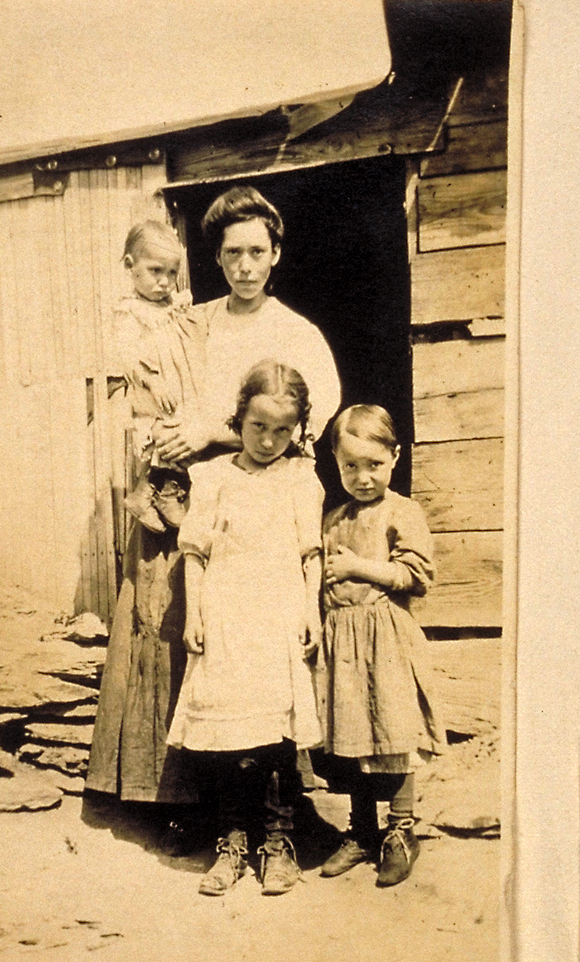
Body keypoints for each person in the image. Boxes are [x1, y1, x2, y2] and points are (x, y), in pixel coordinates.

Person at [85, 185, 340, 808]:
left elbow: (302, 432)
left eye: (257, 251)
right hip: (181, 499)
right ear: (218, 259)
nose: (245, 266)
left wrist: (208, 431)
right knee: (174, 629)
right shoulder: (192, 321)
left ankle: (270, 807)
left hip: (256, 511)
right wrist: (162, 430)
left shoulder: (297, 334)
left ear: (276, 254)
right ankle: (174, 801)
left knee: (251, 648)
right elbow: (143, 378)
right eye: (232, 255)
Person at [166, 361, 324, 895]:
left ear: (298, 429)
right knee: (229, 739)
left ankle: (278, 844)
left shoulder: (301, 477)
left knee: (276, 738)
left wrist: (311, 611)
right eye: (258, 427)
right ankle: (231, 843)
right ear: (239, 419)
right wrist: (195, 614)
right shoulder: (212, 477)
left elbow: (311, 555)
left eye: (283, 430)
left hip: (277, 621)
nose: (269, 440)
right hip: (229, 620)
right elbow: (195, 554)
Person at [316, 405, 445, 887]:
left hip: (386, 637)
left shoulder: (402, 511)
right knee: (352, 735)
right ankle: (362, 830)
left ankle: (401, 830)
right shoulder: (332, 517)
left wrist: (358, 569)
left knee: (394, 730)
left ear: (395, 457)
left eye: (373, 464)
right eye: (350, 465)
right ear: (334, 461)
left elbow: (415, 576)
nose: (362, 476)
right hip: (342, 641)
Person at [112, 221, 193, 533]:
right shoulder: (130, 313)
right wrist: (152, 380)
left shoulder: (170, 305)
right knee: (166, 437)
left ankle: (146, 494)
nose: (165, 282)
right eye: (156, 271)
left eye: (172, 273)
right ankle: (165, 493)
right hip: (153, 390)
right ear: (131, 267)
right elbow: (127, 356)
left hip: (176, 387)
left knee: (180, 434)